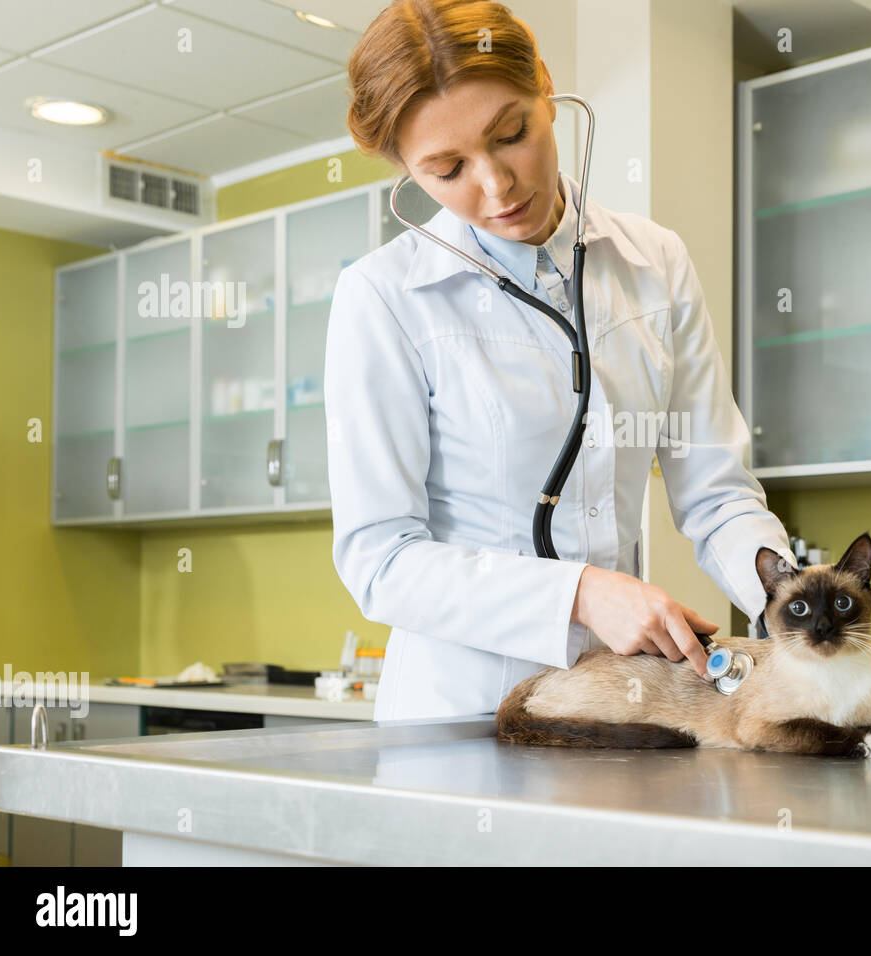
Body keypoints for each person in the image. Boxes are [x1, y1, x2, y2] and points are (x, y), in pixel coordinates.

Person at [327, 0, 796, 721]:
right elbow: (380, 560)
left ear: (546, 86)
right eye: (447, 169)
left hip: (621, 701)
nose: (496, 186)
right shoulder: (385, 297)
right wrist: (580, 592)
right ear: (408, 175)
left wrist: (793, 606)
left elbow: (715, 491)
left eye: (511, 134)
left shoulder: (654, 261)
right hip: (462, 717)